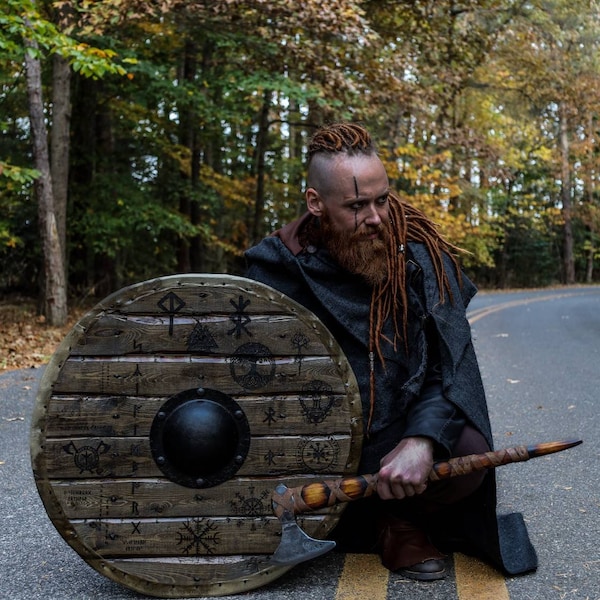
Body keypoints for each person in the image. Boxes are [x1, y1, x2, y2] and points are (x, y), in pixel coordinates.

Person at [244, 122, 537, 581]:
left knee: (466, 456)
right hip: (309, 433)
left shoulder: (420, 259)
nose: (377, 217)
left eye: (382, 200)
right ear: (315, 203)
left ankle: (399, 520)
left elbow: (451, 367)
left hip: (400, 427)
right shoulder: (275, 267)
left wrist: (421, 439)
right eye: (357, 205)